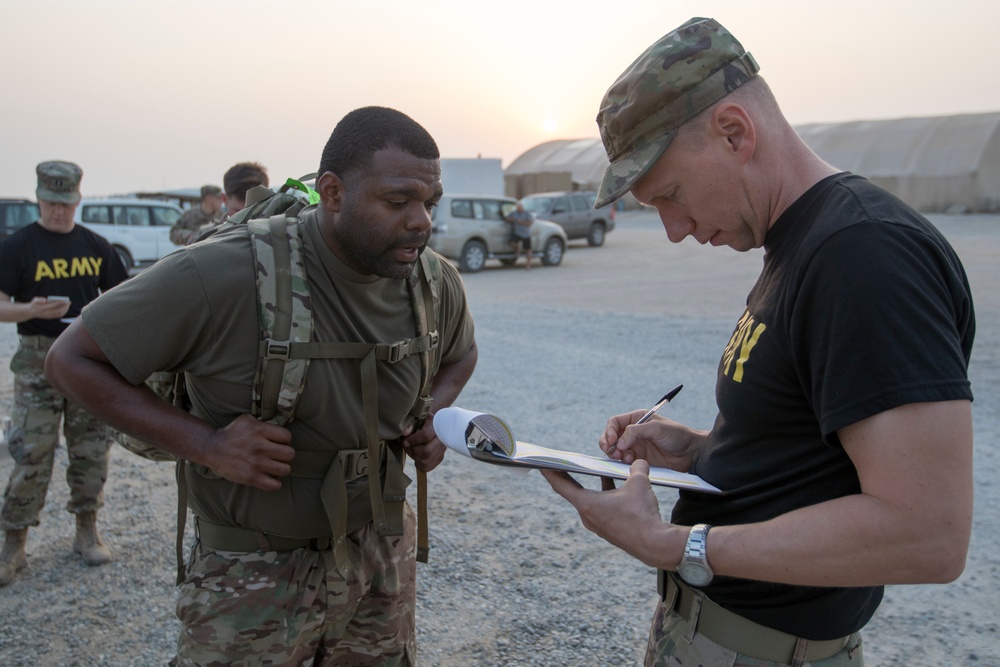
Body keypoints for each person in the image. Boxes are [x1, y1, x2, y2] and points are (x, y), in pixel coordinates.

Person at [541, 17, 975, 667]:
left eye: (671, 196)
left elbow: (927, 532)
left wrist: (677, 544)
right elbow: (815, 454)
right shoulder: (802, 245)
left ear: (735, 132)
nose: (674, 229)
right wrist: (698, 451)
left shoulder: (862, 255)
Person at [44, 107, 478, 665]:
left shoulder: (432, 280)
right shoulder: (222, 274)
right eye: (398, 202)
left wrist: (433, 418)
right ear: (333, 192)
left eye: (429, 203)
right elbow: (70, 359)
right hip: (252, 571)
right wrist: (206, 444)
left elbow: (460, 354)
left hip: (379, 558)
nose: (421, 220)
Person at [0, 161, 130, 586]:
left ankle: (86, 530)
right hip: (37, 358)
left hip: (85, 358)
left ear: (77, 200)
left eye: (66, 203)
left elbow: (121, 299)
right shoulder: (17, 246)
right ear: (39, 198)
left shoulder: (95, 245)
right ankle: (13, 543)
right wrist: (30, 310)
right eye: (51, 202)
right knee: (31, 451)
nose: (59, 211)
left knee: (91, 447)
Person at [187, 161, 270, 244]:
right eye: (239, 212)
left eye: (254, 212)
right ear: (224, 199)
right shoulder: (204, 238)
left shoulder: (277, 233)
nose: (247, 221)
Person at [505, 201, 534, 269]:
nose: (519, 209)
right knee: (511, 242)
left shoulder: (526, 213)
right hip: (517, 232)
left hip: (525, 234)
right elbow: (507, 218)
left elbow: (529, 223)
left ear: (522, 208)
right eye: (518, 208)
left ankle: (528, 264)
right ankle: (518, 248)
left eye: (520, 208)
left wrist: (522, 222)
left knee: (528, 249)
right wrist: (510, 219)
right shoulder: (514, 213)